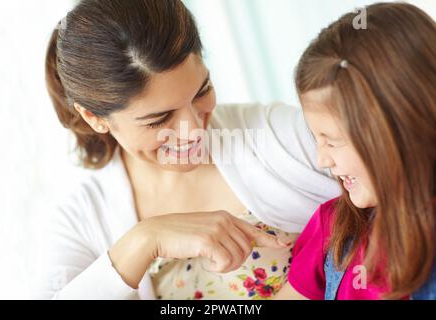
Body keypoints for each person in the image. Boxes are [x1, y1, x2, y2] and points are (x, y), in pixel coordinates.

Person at [34, 0, 339, 299]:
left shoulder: (278, 136)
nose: (192, 130)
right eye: (159, 119)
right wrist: (145, 240)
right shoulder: (82, 220)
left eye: (202, 91)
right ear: (94, 117)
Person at [275, 2, 436, 300]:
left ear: (399, 130)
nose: (322, 159)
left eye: (332, 141)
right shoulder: (335, 229)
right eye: (316, 138)